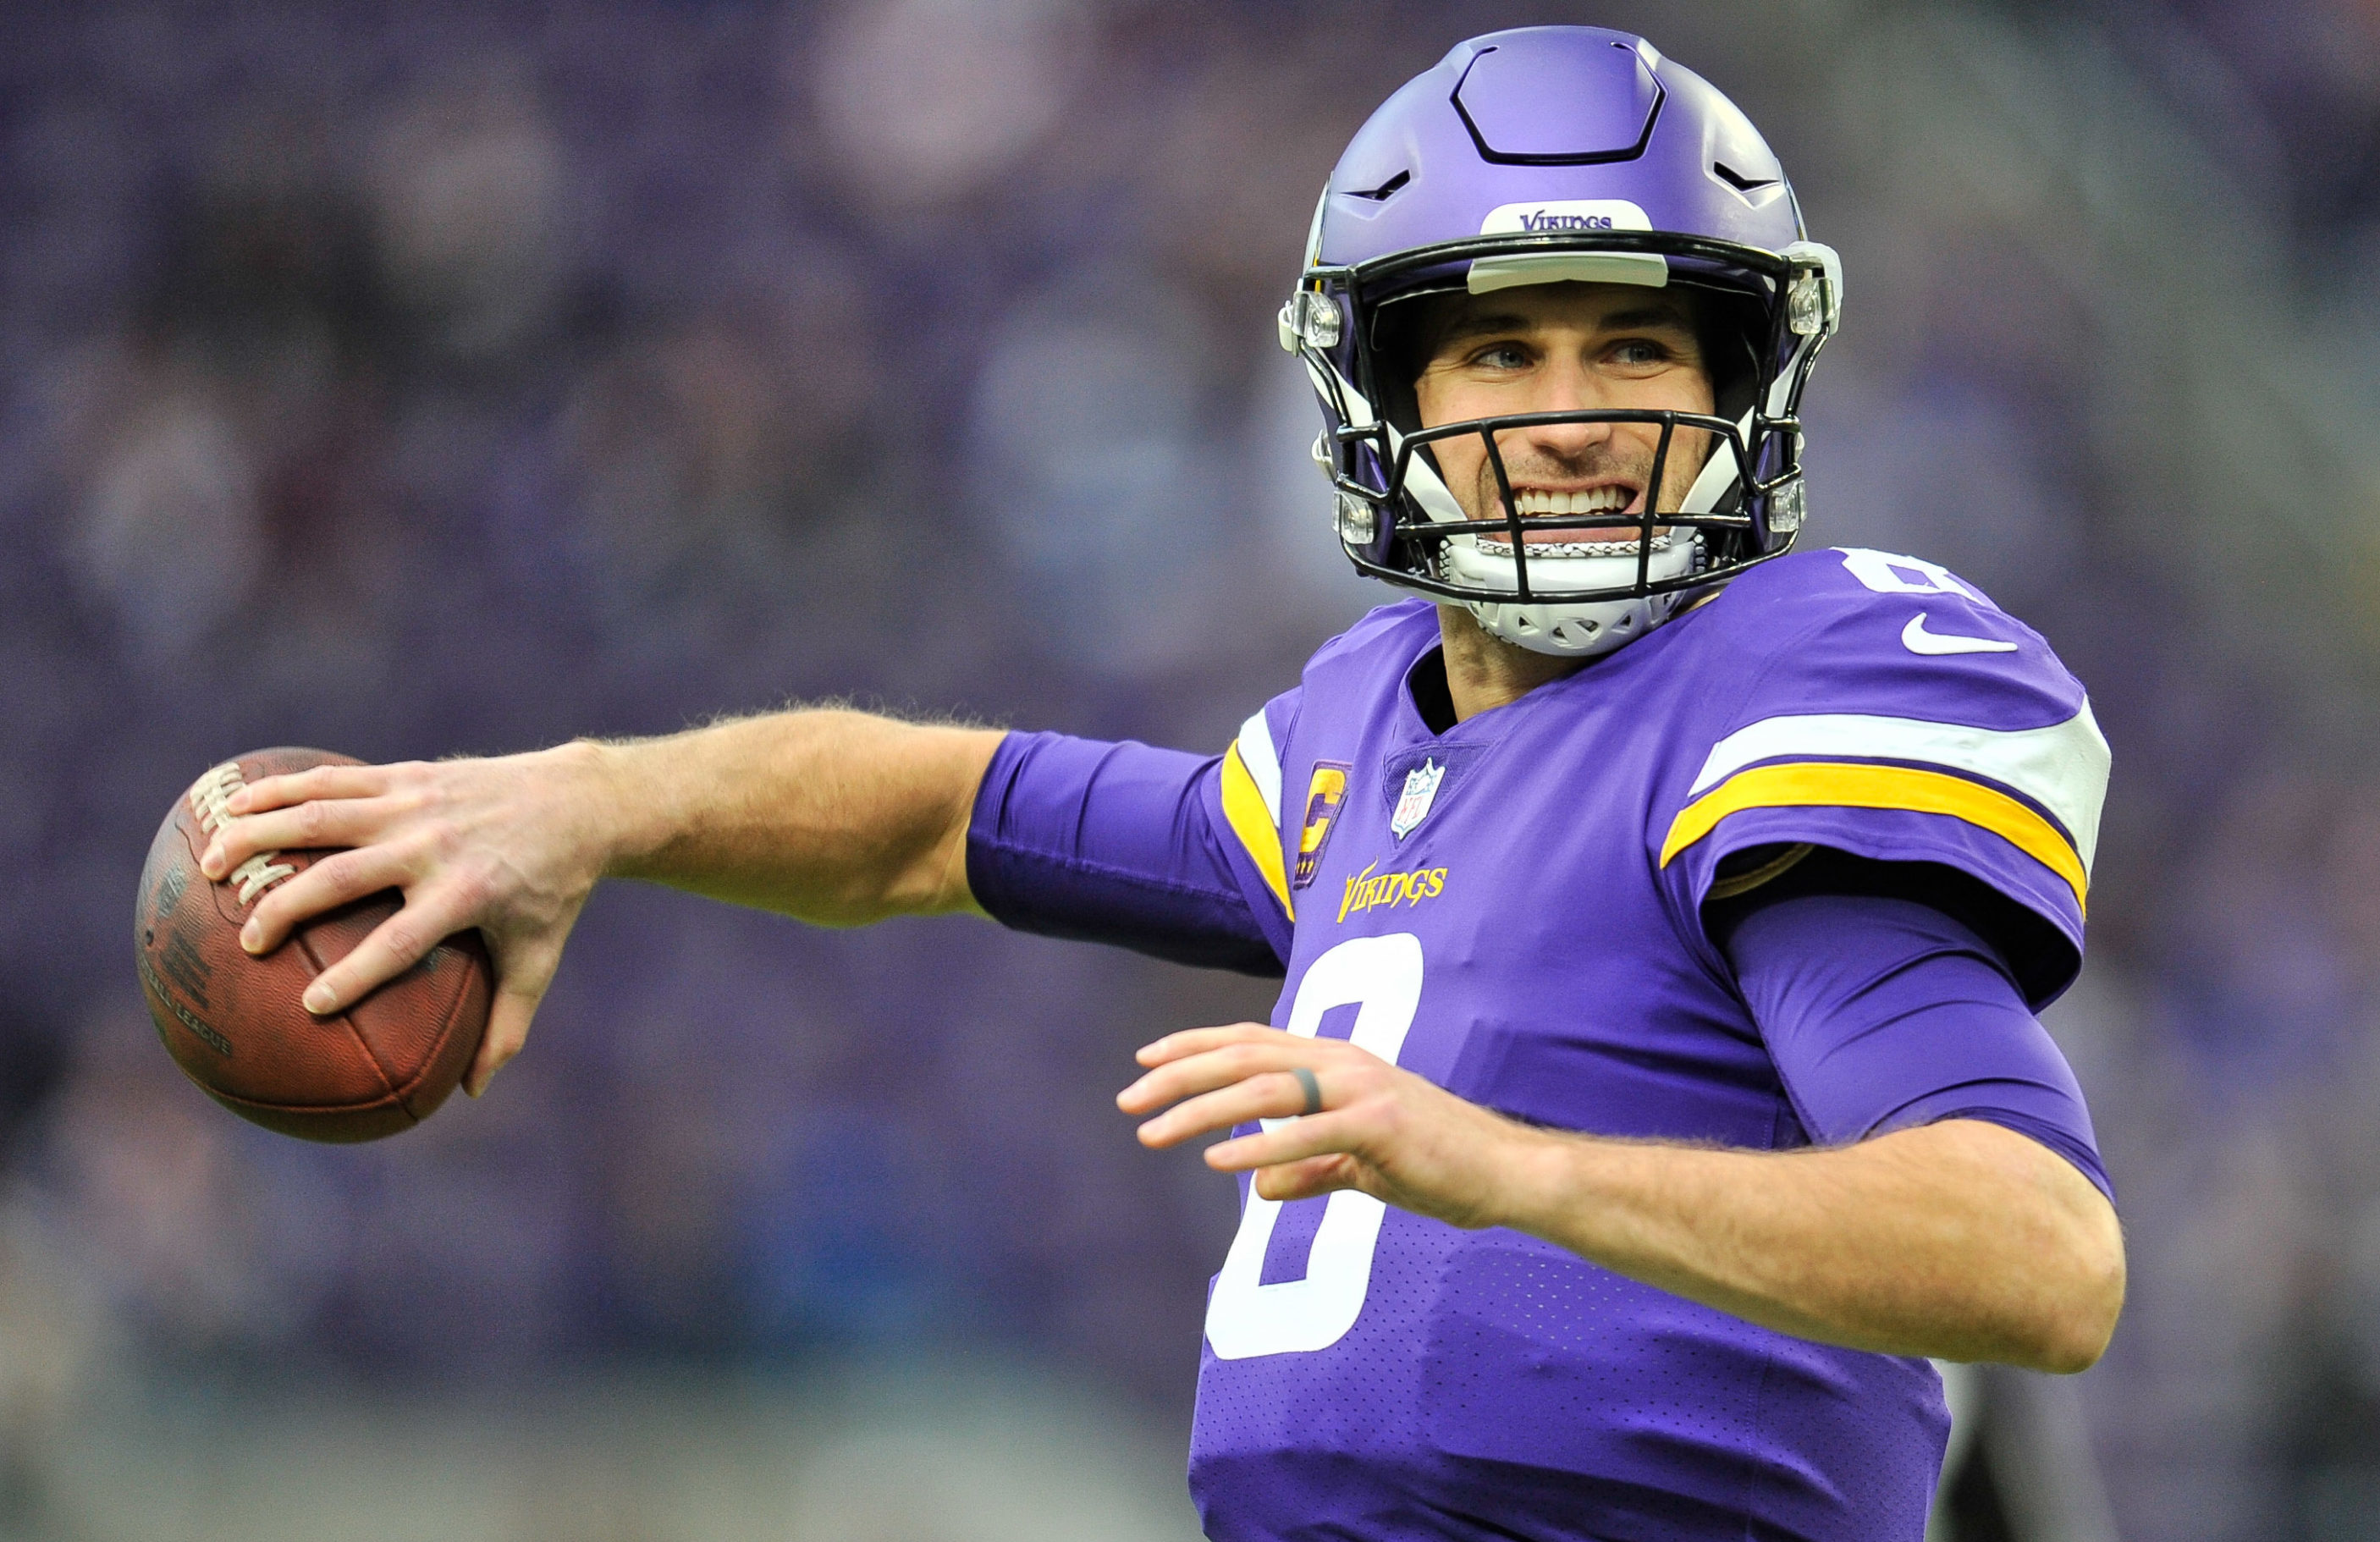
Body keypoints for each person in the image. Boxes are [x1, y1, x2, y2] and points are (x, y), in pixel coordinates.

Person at [195, 26, 2123, 1540]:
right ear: (1391, 400)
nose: (1572, 411)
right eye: (1499, 352)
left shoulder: (1777, 694)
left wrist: (1500, 1165)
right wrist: (588, 803)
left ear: (1736, 391)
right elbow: (938, 813)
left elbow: (2034, 1250)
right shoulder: (1360, 743)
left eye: (1636, 343)